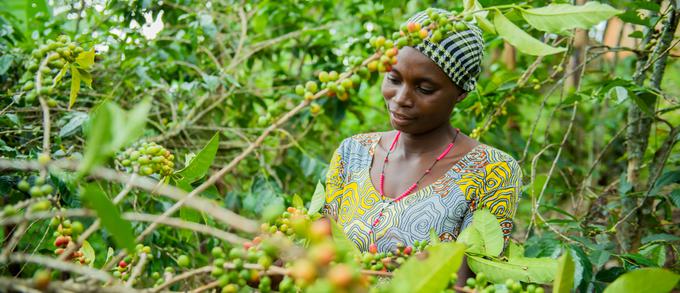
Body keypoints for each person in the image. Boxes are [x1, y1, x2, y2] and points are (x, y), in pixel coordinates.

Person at [321, 8, 522, 283]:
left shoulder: (492, 171)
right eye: (393, 79)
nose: (401, 98)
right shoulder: (352, 152)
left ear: (461, 93)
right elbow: (318, 254)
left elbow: (470, 283)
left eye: (424, 89)